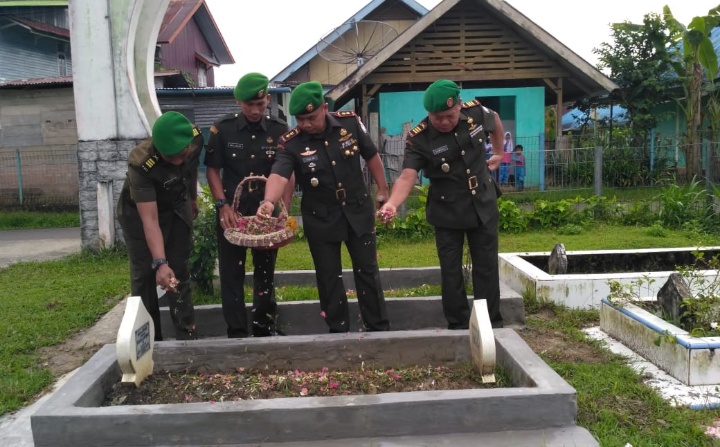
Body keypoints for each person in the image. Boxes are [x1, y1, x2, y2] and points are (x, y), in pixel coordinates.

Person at [256, 81, 391, 333]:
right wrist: (268, 201)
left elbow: (371, 154)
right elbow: (279, 173)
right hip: (321, 218)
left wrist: (383, 190)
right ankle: (338, 331)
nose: (306, 124)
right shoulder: (291, 142)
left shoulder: (350, 123)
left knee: (367, 271)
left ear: (324, 108)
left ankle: (378, 328)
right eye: (301, 119)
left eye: (311, 117)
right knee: (329, 277)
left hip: (357, 210)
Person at [379, 79, 505, 329]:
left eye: (449, 115)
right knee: (451, 271)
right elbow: (407, 175)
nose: (444, 122)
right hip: (447, 211)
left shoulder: (476, 113)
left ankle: (490, 324)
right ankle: (458, 324)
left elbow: (496, 122)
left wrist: (499, 152)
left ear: (459, 105)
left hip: (482, 202)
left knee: (487, 266)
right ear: (428, 114)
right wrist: (392, 203)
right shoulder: (419, 138)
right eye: (437, 118)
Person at [205, 72, 293, 338]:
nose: (255, 110)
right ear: (238, 102)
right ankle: (237, 331)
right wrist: (222, 206)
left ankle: (264, 328)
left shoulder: (280, 130)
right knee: (232, 275)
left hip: (265, 215)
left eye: (260, 104)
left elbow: (287, 173)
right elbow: (212, 170)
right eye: (249, 105)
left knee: (265, 273)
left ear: (267, 99)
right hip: (233, 213)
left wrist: (283, 210)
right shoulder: (222, 129)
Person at [117, 111, 203, 341]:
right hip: (139, 216)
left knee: (179, 268)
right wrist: (159, 262)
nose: (177, 161)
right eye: (170, 157)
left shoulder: (195, 137)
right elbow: (150, 220)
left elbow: (191, 169)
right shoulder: (141, 163)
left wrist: (193, 198)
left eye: (181, 154)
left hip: (176, 205)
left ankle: (187, 335)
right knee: (145, 274)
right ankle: (149, 341)